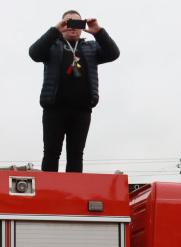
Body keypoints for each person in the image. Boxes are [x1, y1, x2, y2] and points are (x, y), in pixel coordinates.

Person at [28, 9, 120, 173]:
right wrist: (55, 31)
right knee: (51, 152)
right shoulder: (53, 46)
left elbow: (113, 53)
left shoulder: (90, 48)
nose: (72, 27)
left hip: (82, 110)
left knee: (76, 154)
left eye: (77, 23)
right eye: (68, 22)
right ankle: (49, 191)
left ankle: (73, 193)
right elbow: (34, 53)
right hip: (54, 107)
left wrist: (98, 32)